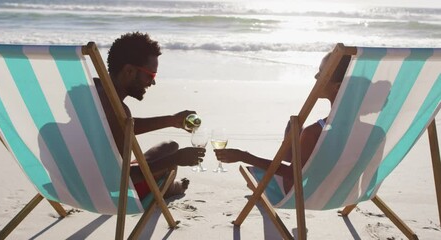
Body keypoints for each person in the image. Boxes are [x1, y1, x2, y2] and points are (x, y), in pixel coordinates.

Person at [214, 52, 351, 193]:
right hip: (347, 190)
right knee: (293, 137)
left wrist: (244, 156)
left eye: (322, 73)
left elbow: (293, 175)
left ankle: (289, 148)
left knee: (253, 172)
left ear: (337, 86)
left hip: (309, 193)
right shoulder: (369, 130)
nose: (315, 77)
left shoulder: (315, 132)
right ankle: (291, 146)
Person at [94, 32, 205, 199]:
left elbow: (117, 126)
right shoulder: (117, 109)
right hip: (110, 191)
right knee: (171, 159)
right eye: (150, 75)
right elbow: (125, 178)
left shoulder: (90, 92)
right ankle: (171, 188)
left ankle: (169, 181)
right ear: (129, 71)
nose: (152, 82)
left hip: (73, 181)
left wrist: (171, 120)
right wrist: (176, 159)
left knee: (169, 146)